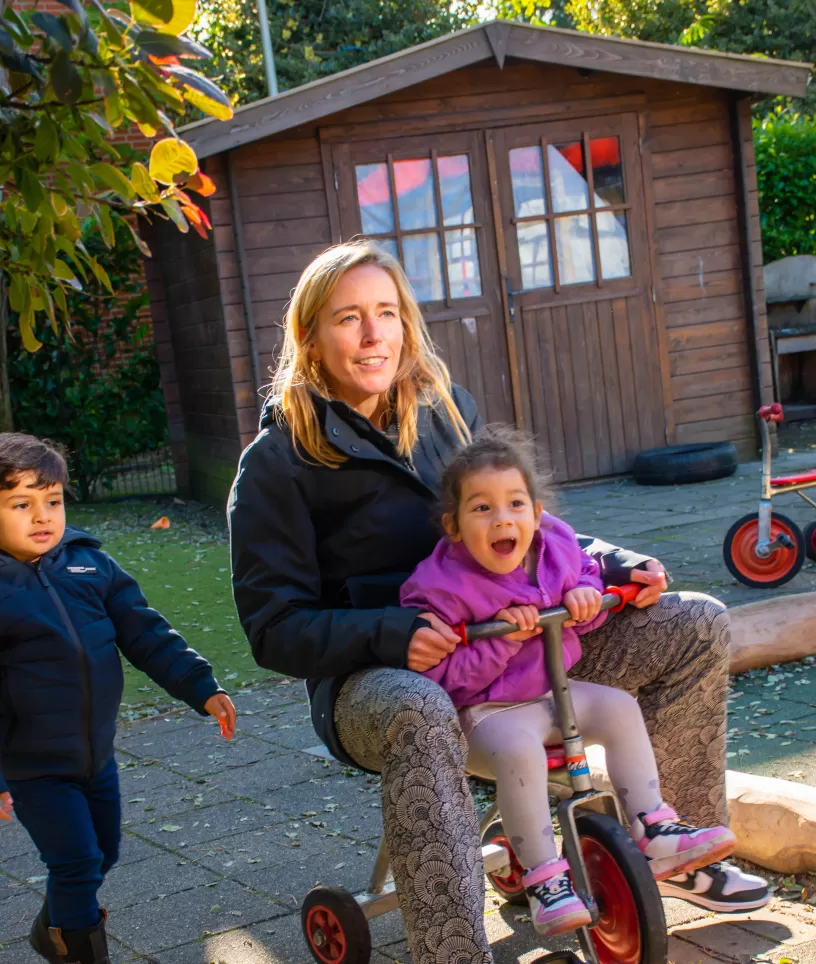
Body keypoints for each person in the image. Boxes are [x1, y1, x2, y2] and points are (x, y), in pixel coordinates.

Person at [229, 240, 768, 964]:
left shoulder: (447, 413)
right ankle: (453, 950)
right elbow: (272, 630)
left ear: (406, 323)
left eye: (385, 313)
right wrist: (392, 635)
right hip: (377, 679)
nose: (371, 335)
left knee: (695, 622)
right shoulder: (277, 462)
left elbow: (514, 516)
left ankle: (679, 846)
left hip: (509, 638)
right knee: (417, 710)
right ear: (311, 337)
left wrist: (613, 563)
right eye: (348, 318)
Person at [399, 427, 736, 936]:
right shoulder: (442, 584)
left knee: (620, 706)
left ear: (536, 514)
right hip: (485, 714)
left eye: (515, 504)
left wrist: (583, 595)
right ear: (454, 526)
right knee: (518, 750)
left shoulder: (552, 544)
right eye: (481, 509)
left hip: (551, 691)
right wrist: (503, 640)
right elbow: (443, 679)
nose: (502, 519)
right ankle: (543, 879)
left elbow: (587, 578)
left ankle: (654, 825)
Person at [0, 434, 237, 964]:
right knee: (77, 864)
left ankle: (55, 927)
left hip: (96, 757)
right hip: (33, 766)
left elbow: (146, 634)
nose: (42, 517)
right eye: (21, 504)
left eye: (52, 501)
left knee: (103, 854)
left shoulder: (89, 566)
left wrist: (201, 686)